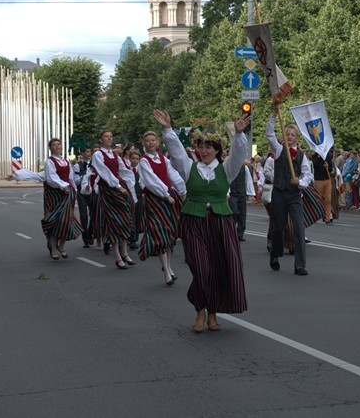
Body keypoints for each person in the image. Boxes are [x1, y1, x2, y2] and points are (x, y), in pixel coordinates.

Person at [154, 109, 249, 333]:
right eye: (201, 147)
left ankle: (212, 312)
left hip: (220, 222)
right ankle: (200, 310)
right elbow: (177, 152)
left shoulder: (227, 169)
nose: (204, 150)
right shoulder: (190, 167)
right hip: (194, 220)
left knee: (218, 268)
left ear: (217, 151)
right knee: (201, 268)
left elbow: (238, 154)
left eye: (209, 147)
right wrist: (168, 129)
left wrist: (238, 135)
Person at [266, 108, 314, 275]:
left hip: (294, 194)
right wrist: (273, 115)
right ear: (284, 136)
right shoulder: (278, 150)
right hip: (279, 192)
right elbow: (269, 134)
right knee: (278, 227)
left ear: (297, 138)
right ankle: (275, 254)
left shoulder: (302, 156)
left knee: (299, 229)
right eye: (288, 134)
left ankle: (300, 264)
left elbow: (308, 175)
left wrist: (299, 181)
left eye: (293, 135)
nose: (290, 137)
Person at [137, 130, 186, 285]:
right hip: (156, 199)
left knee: (170, 233)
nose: (151, 143)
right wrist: (166, 194)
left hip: (169, 197)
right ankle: (166, 270)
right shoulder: (144, 161)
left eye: (153, 140)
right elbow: (151, 181)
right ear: (144, 144)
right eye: (148, 141)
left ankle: (168, 268)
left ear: (157, 142)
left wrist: (183, 191)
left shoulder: (164, 159)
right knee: (160, 234)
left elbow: (173, 175)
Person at [92, 129, 138, 269]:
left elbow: (123, 170)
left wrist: (129, 184)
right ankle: (118, 257)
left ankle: (124, 254)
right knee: (114, 222)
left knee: (124, 220)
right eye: (106, 136)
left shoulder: (114, 155)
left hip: (119, 187)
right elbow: (104, 173)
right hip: (109, 190)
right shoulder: (98, 155)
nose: (109, 138)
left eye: (111, 136)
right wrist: (118, 186)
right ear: (101, 139)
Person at [42, 138, 84, 259]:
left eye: (58, 144)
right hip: (55, 194)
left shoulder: (66, 161)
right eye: (54, 145)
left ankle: (61, 245)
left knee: (67, 220)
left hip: (67, 193)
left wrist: (73, 190)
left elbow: (70, 178)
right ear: (50, 148)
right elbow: (51, 178)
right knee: (55, 221)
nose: (57, 146)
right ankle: (54, 248)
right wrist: (63, 186)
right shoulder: (49, 162)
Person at [73, 148, 94, 247]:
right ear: (82, 153)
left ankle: (90, 233)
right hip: (81, 192)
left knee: (93, 215)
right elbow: (75, 180)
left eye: (90, 151)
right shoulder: (78, 166)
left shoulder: (93, 165)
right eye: (87, 151)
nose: (89, 153)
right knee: (83, 215)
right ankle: (85, 238)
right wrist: (83, 177)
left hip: (92, 192)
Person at [311, 149, 334, 224]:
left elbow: (330, 168)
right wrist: (319, 157)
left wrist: (328, 167)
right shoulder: (314, 156)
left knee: (328, 199)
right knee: (318, 199)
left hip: (327, 179)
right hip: (318, 180)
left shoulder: (328, 156)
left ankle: (328, 217)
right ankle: (316, 216)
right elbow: (315, 165)